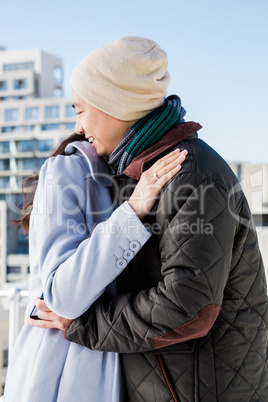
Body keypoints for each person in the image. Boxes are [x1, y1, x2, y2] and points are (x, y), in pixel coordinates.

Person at [28, 36, 268, 401]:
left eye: (80, 110)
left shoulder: (190, 174)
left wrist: (81, 324)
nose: (77, 127)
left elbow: (189, 307)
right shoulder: (135, 173)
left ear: (114, 105)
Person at [3, 130, 186, 400]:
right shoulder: (70, 169)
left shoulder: (113, 170)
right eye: (78, 109)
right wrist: (133, 210)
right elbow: (63, 297)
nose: (80, 125)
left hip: (102, 361)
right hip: (60, 369)